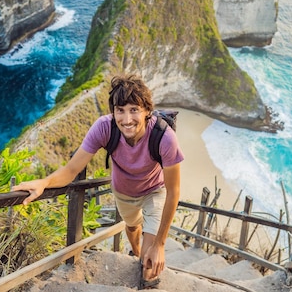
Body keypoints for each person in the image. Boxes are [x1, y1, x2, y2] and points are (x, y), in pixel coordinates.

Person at [12, 74, 184, 288]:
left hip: (154, 190)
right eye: (120, 110)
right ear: (113, 111)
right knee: (131, 227)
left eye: (134, 110)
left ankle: (145, 270)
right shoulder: (105, 127)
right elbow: (72, 169)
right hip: (123, 192)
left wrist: (159, 243)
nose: (126, 119)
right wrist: (43, 183)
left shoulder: (164, 137)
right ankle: (136, 250)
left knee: (149, 263)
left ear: (147, 111)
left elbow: (174, 191)